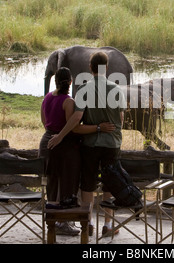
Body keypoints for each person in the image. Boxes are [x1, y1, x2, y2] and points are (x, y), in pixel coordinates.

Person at [48, 52, 126, 237]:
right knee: (109, 183)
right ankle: (107, 225)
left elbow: (77, 118)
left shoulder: (83, 90)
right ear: (106, 68)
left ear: (90, 68)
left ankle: (88, 222)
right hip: (112, 143)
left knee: (88, 184)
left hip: (90, 143)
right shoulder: (116, 90)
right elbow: (121, 120)